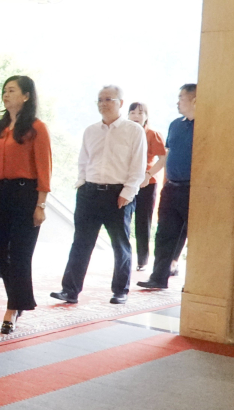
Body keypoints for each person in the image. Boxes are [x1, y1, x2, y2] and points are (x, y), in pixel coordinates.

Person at [51, 85, 146, 305]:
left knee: (120, 244)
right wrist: (82, 183)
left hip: (118, 194)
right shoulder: (91, 130)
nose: (103, 104)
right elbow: (83, 161)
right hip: (89, 193)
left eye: (108, 99)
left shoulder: (134, 131)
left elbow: (138, 166)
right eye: (99, 100)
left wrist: (128, 192)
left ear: (120, 103)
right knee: (81, 243)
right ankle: (70, 291)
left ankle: (120, 290)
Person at [0, 77, 52, 334]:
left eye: (11, 90)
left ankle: (12, 309)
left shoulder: (36, 127)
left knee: (21, 254)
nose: (5, 94)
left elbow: (44, 168)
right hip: (0, 192)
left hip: (26, 194)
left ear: (26, 96)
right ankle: (21, 298)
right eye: (4, 90)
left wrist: (41, 204)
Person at [138, 84, 196, 290]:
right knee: (164, 234)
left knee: (195, 238)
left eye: (181, 97)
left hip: (195, 190)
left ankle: (194, 283)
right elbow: (168, 155)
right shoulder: (175, 125)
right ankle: (158, 278)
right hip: (171, 188)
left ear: (195, 100)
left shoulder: (207, 126)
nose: (177, 101)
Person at [126, 102, 167, 272]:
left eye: (140, 113)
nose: (136, 116)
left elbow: (163, 158)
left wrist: (148, 174)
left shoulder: (152, 134)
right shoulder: (124, 132)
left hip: (146, 183)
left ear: (146, 117)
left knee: (143, 221)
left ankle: (142, 260)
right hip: (126, 182)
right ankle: (123, 257)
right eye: (132, 112)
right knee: (123, 220)